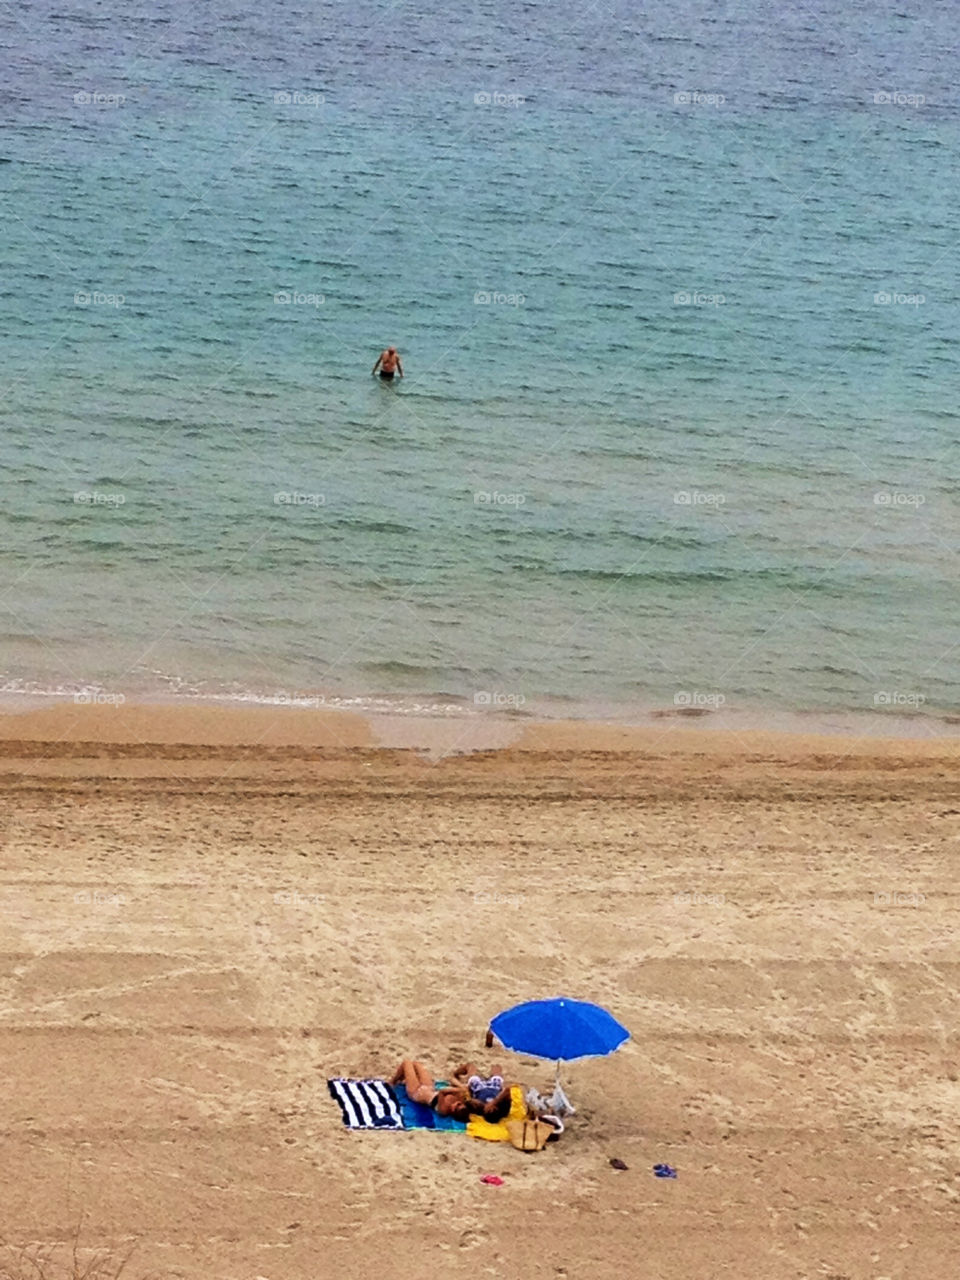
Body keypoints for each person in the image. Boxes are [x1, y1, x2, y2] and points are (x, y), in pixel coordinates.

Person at [389, 1059, 513, 1122]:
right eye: (459, 1104)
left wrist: (458, 1089)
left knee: (407, 1063)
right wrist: (460, 1088)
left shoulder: (443, 1110)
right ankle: (399, 1079)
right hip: (429, 1088)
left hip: (416, 1093)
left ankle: (393, 1082)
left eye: (456, 1106)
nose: (457, 1104)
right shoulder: (460, 1100)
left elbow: (443, 1091)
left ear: (453, 1111)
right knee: (415, 1064)